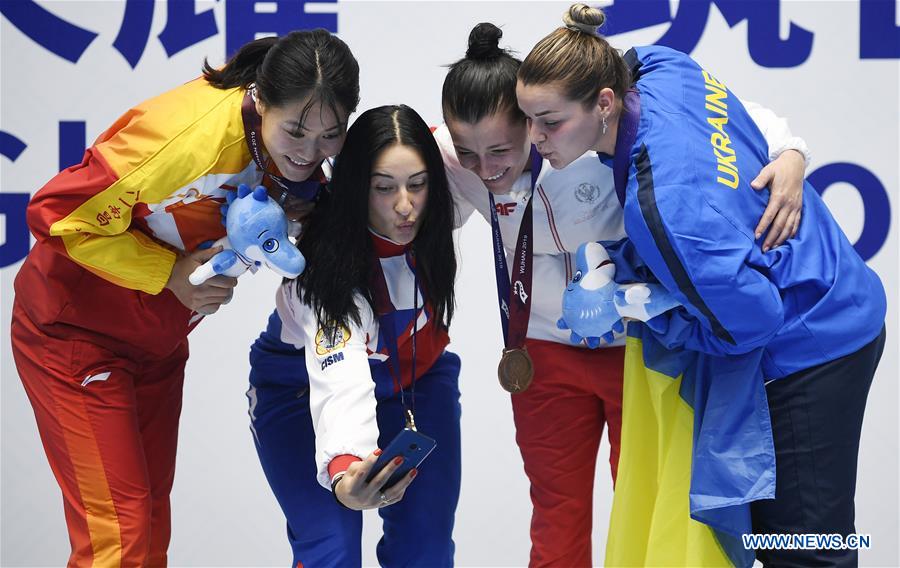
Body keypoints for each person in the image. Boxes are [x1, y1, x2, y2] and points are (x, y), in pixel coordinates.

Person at [516, 4, 886, 567]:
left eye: (549, 121)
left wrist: (641, 310)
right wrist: (791, 151)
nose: (534, 138)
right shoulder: (661, 66)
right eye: (527, 118)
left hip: (813, 337)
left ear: (605, 102)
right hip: (829, 277)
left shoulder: (660, 207)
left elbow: (750, 322)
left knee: (803, 546)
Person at [433, 22, 811, 567]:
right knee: (556, 513)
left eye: (501, 149)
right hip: (540, 356)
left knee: (647, 500)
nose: (486, 169)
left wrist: (791, 154)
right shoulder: (456, 153)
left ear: (530, 120)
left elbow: (726, 118)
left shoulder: (589, 137)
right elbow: (392, 165)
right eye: (468, 155)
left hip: (633, 348)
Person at [10, 30, 359, 566]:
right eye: (295, 132)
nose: (310, 153)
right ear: (262, 99)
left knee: (148, 528)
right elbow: (54, 214)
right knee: (119, 538)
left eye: (330, 136)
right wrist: (168, 272)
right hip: (73, 336)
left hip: (157, 343)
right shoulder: (187, 139)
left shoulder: (302, 160)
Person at [248, 104, 462, 567]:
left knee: (425, 550)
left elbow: (494, 128)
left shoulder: (451, 180)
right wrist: (347, 469)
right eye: (383, 188)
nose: (404, 206)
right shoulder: (324, 276)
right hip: (301, 391)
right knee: (333, 548)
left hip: (417, 380)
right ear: (354, 187)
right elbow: (340, 375)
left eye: (417, 184)